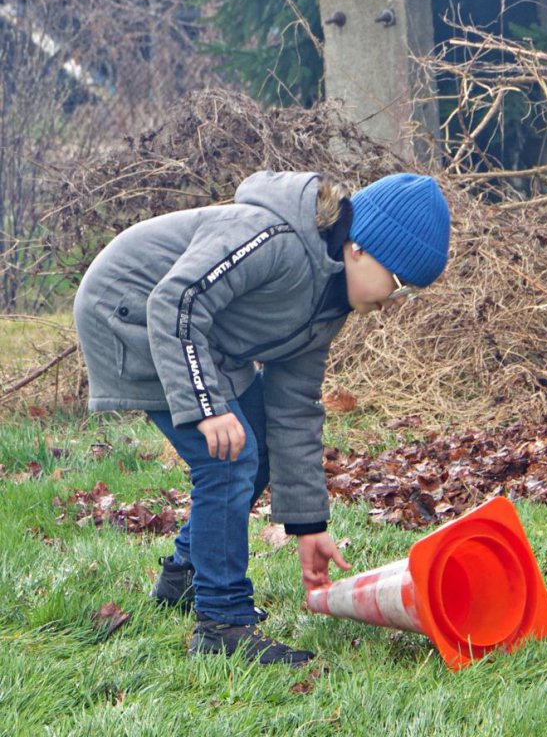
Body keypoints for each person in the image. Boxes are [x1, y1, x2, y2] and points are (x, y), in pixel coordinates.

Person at [73, 169, 450, 666]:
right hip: (129, 314)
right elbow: (177, 300)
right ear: (360, 247)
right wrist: (206, 408)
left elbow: (293, 408)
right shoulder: (276, 240)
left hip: (197, 336)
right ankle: (222, 625)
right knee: (229, 455)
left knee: (260, 444)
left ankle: (185, 575)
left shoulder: (329, 302)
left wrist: (309, 524)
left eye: (410, 293)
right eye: (399, 284)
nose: (394, 304)